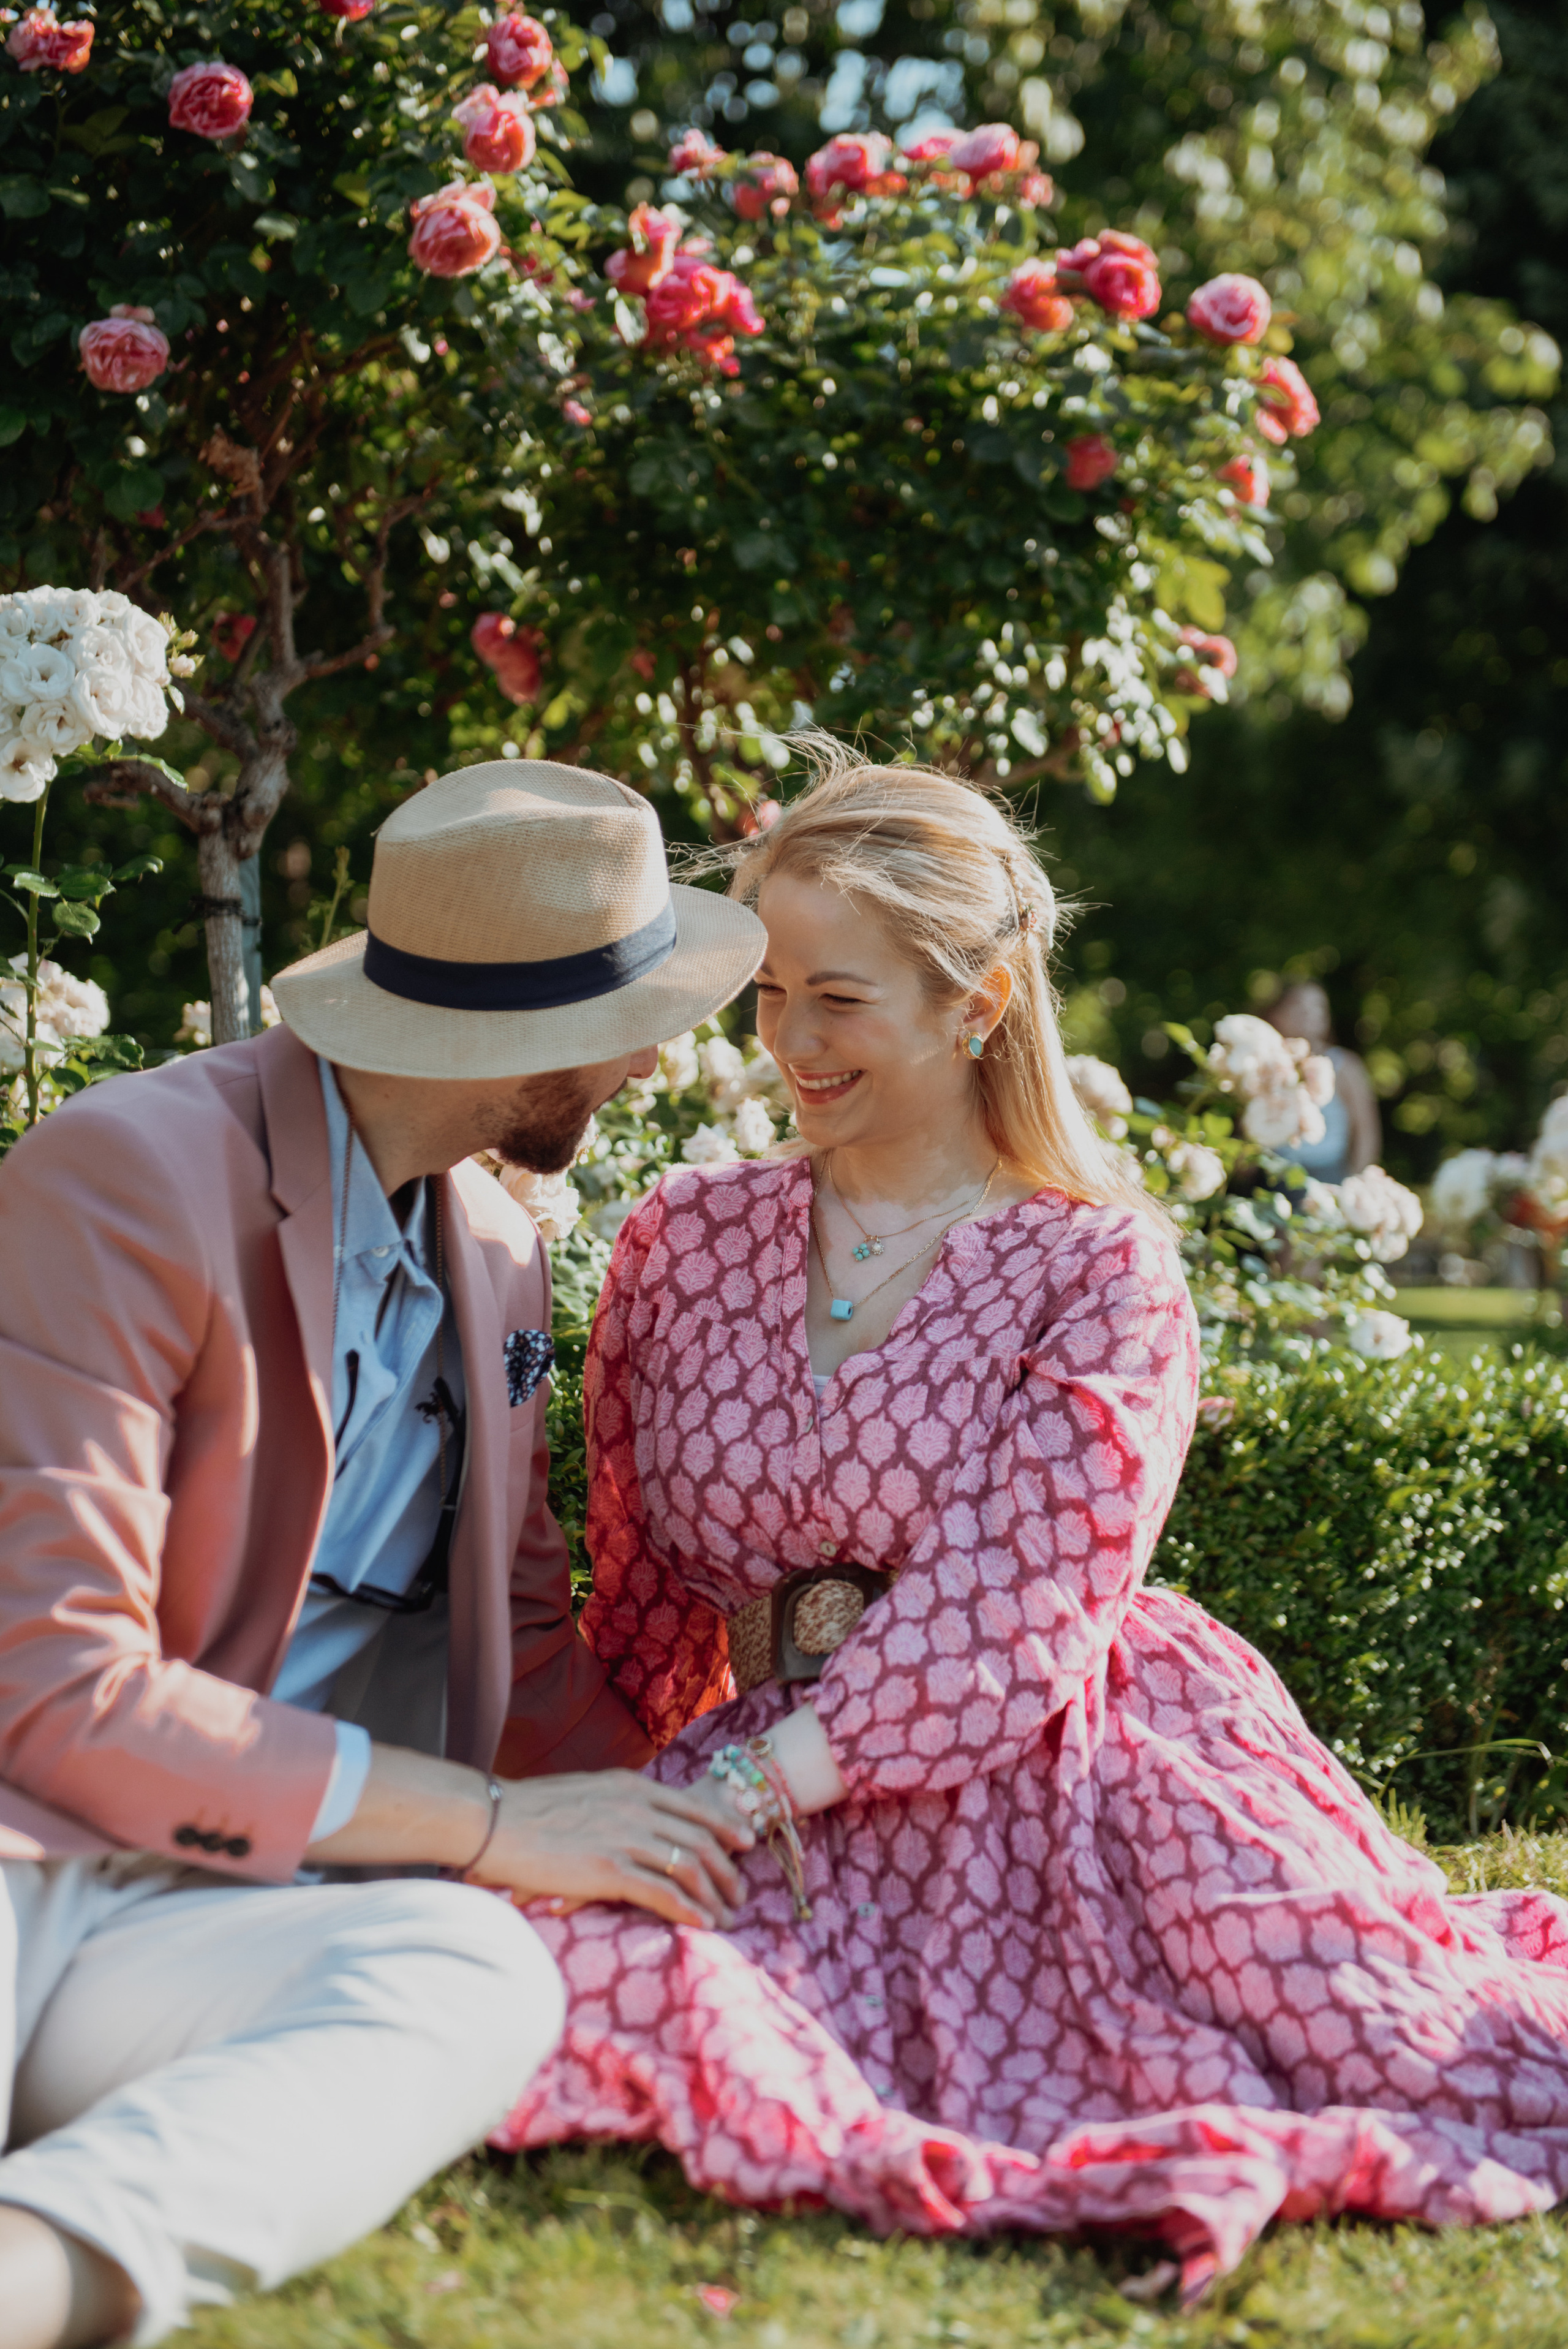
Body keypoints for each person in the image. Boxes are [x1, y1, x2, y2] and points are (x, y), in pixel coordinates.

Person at [494, 751, 1568, 2298]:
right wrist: (591, 1800)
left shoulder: (1098, 1267)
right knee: (549, 1982)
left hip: (1080, 1767)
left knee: (1398, 2036)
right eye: (769, 993)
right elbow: (650, 1592)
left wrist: (744, 1790)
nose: (789, 1041)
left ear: (978, 999)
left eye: (838, 998)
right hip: (770, 1782)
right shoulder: (684, 1239)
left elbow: (1014, 1607)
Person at [0, 760, 764, 2349]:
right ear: (517, 1042)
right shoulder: (125, 1177)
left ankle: (45, 2265)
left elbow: (530, 1643)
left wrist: (725, 1826)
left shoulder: (502, 1257)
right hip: (27, 1851)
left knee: (473, 1980)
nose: (652, 1055)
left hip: (218, 1920)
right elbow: (55, 1689)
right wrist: (489, 1824)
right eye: (636, 1012)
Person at [1264, 978, 1381, 1182]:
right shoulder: (1263, 1063)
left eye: (1317, 1007)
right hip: (1272, 1174)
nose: (1308, 1014)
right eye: (1298, 1006)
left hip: (1328, 1175)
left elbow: (1366, 1133)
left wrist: (1356, 1181)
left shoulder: (1345, 1066)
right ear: (1277, 1013)